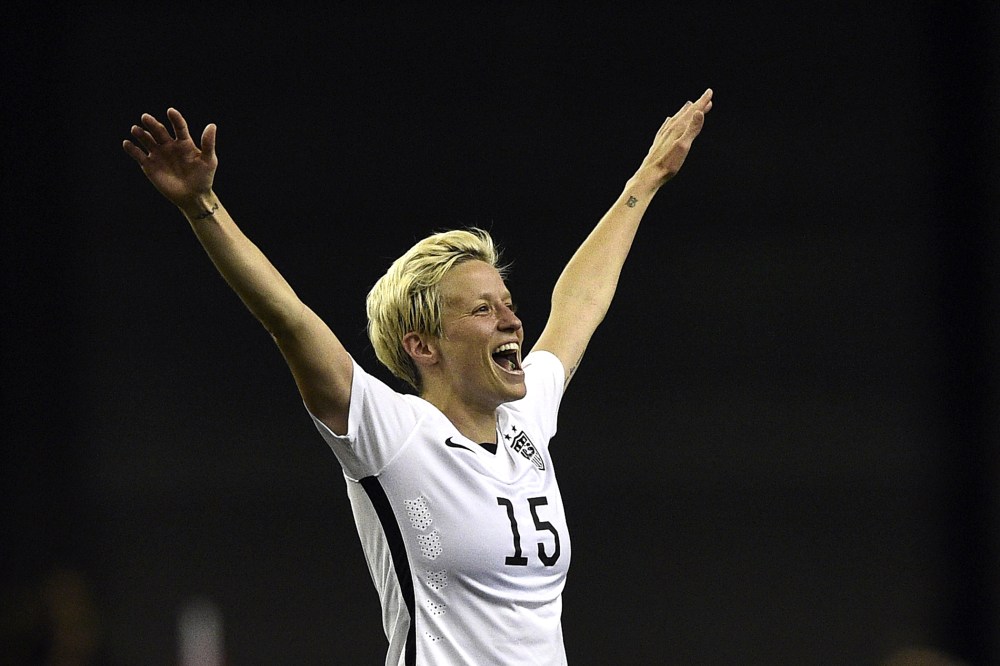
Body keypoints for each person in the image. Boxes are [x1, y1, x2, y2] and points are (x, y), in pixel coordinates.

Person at [122, 88, 712, 665]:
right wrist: (204, 208)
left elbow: (578, 304)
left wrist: (646, 181)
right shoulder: (394, 433)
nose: (511, 318)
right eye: (482, 309)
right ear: (422, 345)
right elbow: (288, 320)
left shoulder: (524, 419)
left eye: (506, 302)